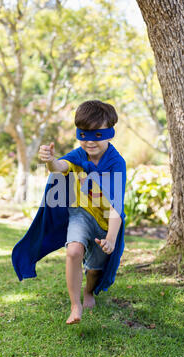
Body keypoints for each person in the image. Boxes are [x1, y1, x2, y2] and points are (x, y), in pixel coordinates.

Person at [37, 100, 126, 324]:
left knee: (95, 269)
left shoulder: (116, 163)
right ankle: (75, 306)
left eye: (97, 134)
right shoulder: (78, 155)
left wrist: (111, 238)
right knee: (74, 251)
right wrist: (50, 161)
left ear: (110, 132)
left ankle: (88, 291)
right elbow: (60, 167)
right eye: (83, 134)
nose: (89, 141)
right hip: (81, 213)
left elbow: (116, 206)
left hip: (106, 221)